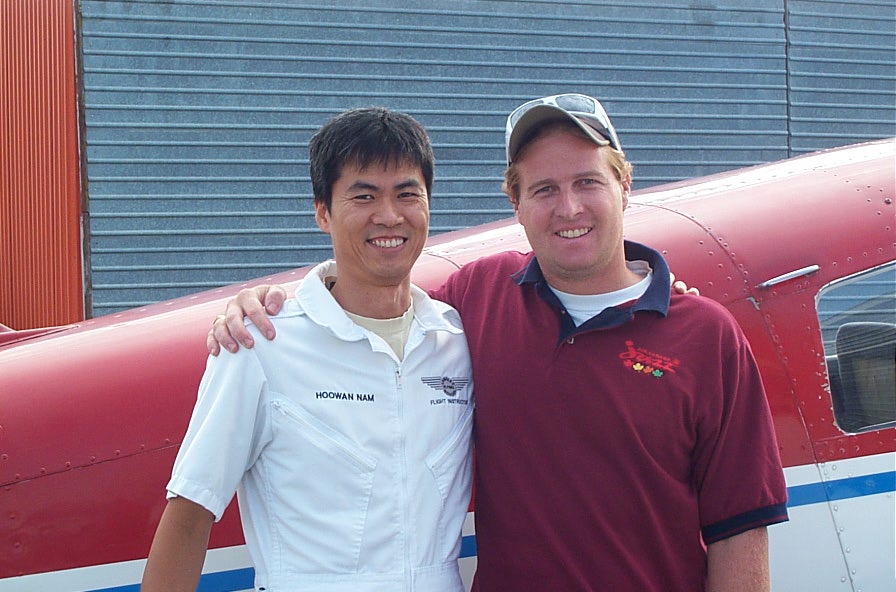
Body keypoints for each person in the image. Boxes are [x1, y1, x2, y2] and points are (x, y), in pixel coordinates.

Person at [207, 94, 789, 591]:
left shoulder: (706, 335)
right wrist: (270, 303)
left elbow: (740, 529)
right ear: (515, 201)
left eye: (588, 181)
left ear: (625, 185)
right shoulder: (475, 299)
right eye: (543, 189)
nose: (569, 207)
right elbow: (372, 298)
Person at [142, 107, 475, 592]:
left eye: (408, 194)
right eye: (364, 195)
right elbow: (191, 510)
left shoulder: (454, 341)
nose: (389, 215)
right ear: (323, 211)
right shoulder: (260, 344)